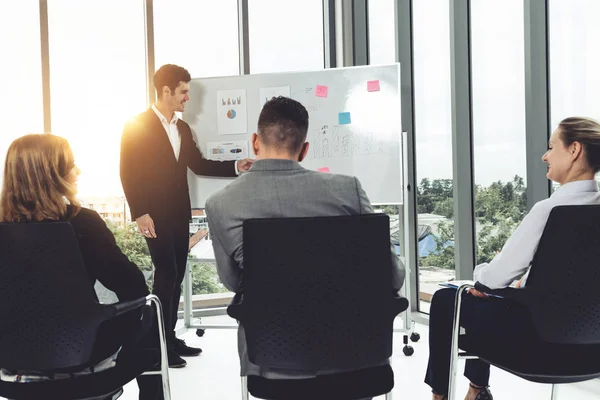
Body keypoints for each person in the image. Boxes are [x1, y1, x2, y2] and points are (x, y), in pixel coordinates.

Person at [205, 96, 405, 388]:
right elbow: (393, 274)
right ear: (305, 149)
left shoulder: (221, 204)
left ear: (255, 143)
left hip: (273, 365)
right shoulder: (347, 189)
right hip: (358, 358)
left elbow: (234, 282)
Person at [425, 116, 600, 400]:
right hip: (592, 350)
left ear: (574, 150)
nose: (545, 156)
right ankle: (476, 391)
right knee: (487, 296)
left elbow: (494, 277)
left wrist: (484, 276)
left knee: (450, 298)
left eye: (551, 147)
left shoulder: (550, 210)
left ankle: (445, 396)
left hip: (537, 345)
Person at [0, 133, 162, 400]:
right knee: (149, 310)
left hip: (9, 360)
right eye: (71, 165)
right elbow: (133, 286)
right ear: (53, 174)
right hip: (80, 352)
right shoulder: (82, 223)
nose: (78, 171)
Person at [120, 64, 254, 368]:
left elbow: (198, 163)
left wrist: (236, 166)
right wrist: (139, 212)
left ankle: (169, 337)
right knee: (165, 274)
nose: (187, 98)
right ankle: (158, 346)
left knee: (176, 274)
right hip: (152, 215)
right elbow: (127, 171)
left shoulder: (181, 128)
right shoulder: (136, 125)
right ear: (166, 91)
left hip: (178, 211)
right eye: (183, 92)